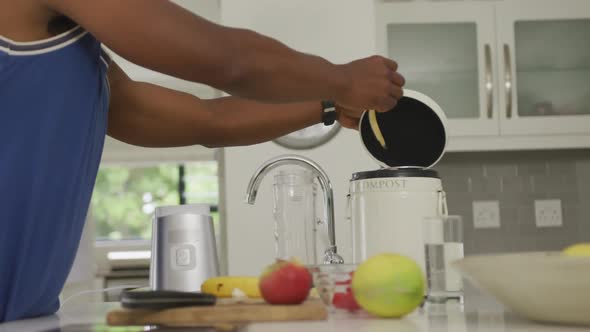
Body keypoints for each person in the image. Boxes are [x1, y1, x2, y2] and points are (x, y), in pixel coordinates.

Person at [0, 0, 405, 322]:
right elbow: (228, 60)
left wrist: (331, 104)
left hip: (26, 316)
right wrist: (343, 79)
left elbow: (206, 121)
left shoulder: (77, 61)